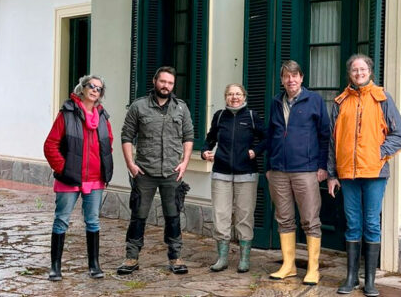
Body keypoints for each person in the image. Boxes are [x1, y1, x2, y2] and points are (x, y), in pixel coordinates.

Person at [326, 54, 401, 296]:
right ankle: (351, 277)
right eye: (354, 69)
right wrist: (332, 174)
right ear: (349, 73)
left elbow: (399, 135)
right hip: (347, 175)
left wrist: (377, 154)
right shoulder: (340, 102)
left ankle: (370, 280)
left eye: (362, 69)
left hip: (374, 173)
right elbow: (332, 141)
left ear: (369, 71)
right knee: (353, 224)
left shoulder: (382, 98)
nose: (358, 73)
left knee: (371, 223)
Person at [117, 66, 194, 276]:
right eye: (163, 81)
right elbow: (126, 136)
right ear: (155, 81)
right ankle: (131, 258)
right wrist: (130, 164)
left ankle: (175, 257)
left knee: (173, 216)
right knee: (138, 216)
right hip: (145, 172)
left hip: (171, 172)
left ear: (173, 85)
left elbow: (188, 136)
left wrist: (185, 163)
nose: (166, 86)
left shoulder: (181, 108)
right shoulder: (139, 106)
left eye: (170, 83)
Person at [265, 60, 330, 286]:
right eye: (286, 76)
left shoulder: (315, 101)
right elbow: (270, 136)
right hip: (279, 170)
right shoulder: (275, 102)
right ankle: (289, 265)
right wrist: (268, 167)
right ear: (282, 80)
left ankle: (313, 269)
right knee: (284, 218)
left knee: (310, 220)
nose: (291, 80)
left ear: (302, 78)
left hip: (306, 170)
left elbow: (325, 135)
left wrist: (323, 166)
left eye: (295, 76)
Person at [43, 75, 113, 281]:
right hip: (69, 178)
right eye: (91, 86)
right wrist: (64, 169)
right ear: (82, 88)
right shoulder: (66, 114)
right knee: (61, 220)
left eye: (99, 88)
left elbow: (108, 143)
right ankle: (55, 267)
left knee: (93, 221)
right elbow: (50, 145)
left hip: (95, 179)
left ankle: (94, 265)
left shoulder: (102, 117)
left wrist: (104, 167)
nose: (94, 90)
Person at [201, 83, 266, 273]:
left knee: (244, 216)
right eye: (230, 94)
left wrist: (255, 151)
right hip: (221, 173)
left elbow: (267, 138)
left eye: (238, 94)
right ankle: (222, 258)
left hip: (246, 173)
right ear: (225, 96)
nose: (234, 97)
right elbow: (210, 138)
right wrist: (205, 151)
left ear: (244, 96)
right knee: (221, 215)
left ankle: (244, 259)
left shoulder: (252, 117)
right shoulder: (220, 116)